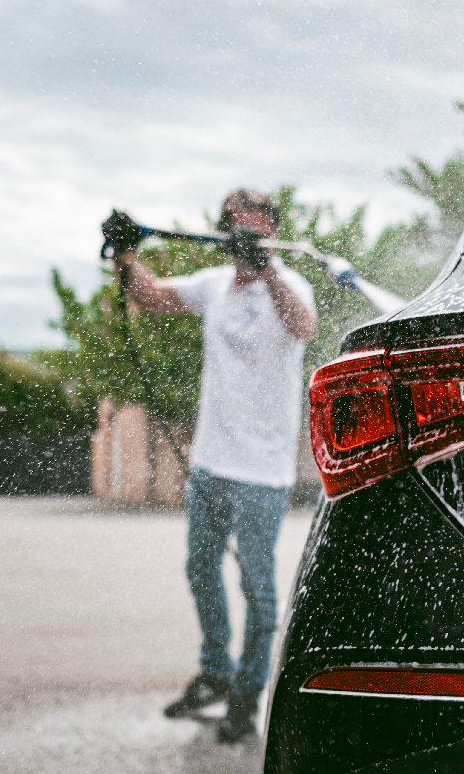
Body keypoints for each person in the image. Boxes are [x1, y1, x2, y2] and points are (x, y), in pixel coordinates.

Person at [107, 189, 317, 743]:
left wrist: (267, 270)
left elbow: (304, 326)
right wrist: (127, 252)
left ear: (272, 233)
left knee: (258, 589)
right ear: (224, 233)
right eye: (237, 228)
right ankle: (216, 672)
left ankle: (247, 695)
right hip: (210, 463)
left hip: (263, 472)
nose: (246, 238)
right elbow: (150, 296)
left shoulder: (291, 286)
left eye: (258, 229)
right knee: (201, 570)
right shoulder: (214, 285)